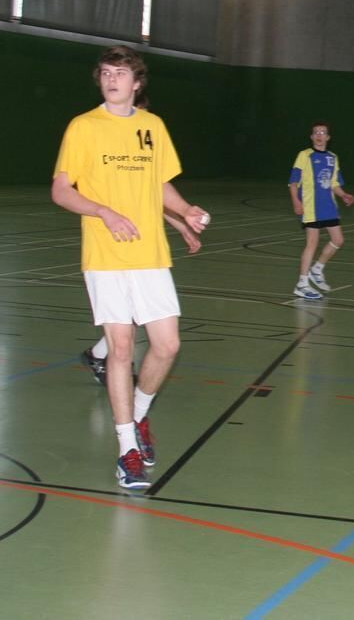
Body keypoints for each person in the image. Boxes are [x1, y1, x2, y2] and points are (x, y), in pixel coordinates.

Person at [51, 45, 208, 489]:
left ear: (136, 83)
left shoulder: (152, 127)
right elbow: (62, 190)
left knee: (167, 345)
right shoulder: (83, 127)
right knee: (120, 349)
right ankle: (126, 451)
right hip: (105, 256)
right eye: (105, 72)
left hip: (150, 255)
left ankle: (138, 416)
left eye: (120, 73)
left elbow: (161, 185)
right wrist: (103, 212)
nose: (111, 79)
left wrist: (186, 212)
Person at [81, 211, 202, 385]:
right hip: (111, 252)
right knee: (128, 320)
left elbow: (157, 195)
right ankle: (97, 357)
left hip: (144, 251)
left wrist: (182, 225)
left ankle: (96, 355)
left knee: (143, 314)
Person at [288, 121, 354, 300]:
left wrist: (343, 195)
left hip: (328, 206)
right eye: (316, 132)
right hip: (311, 206)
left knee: (338, 240)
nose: (319, 135)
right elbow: (293, 181)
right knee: (312, 243)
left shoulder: (333, 157)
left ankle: (317, 269)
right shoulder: (304, 155)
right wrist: (296, 201)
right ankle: (302, 284)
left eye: (323, 132)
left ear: (328, 137)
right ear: (312, 137)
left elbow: (334, 183)